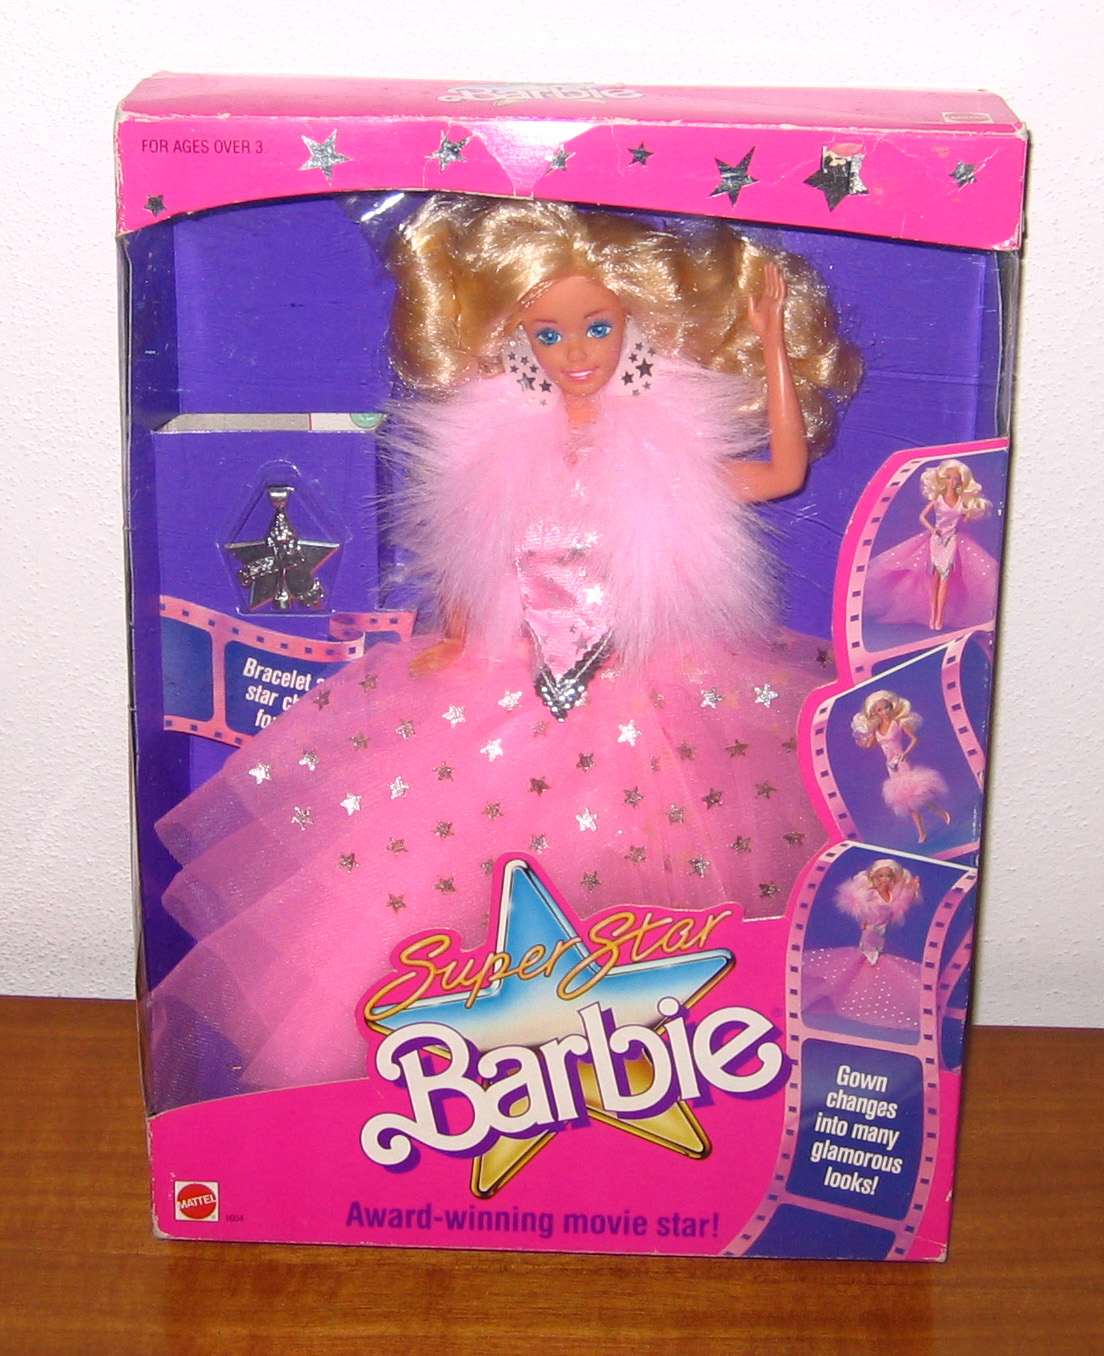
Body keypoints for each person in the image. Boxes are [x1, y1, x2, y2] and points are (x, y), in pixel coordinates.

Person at [147, 195, 859, 1106]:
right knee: (445, 882)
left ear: (634, 323)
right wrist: (454, 636)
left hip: (646, 694)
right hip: (513, 687)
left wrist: (770, 346)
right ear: (517, 340)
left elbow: (783, 472)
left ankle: (634, 1081)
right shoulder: (497, 451)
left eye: (597, 326)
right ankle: (491, 1080)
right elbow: (473, 555)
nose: (576, 353)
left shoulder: (665, 456)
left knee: (656, 896)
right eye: (548, 333)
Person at [866, 459, 997, 632]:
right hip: (936, 541)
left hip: (952, 541)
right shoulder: (938, 499)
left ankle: (939, 619)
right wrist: (933, 529)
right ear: (944, 479)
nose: (952, 482)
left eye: (956, 479)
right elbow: (922, 516)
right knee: (934, 580)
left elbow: (966, 519)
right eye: (949, 478)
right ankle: (933, 616)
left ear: (961, 482)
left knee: (945, 580)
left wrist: (971, 510)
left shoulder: (960, 501)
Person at [802, 859, 923, 1032]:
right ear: (874, 877)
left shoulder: (894, 895)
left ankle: (872, 991)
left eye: (888, 876)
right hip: (871, 928)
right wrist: (863, 922)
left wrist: (913, 886)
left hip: (882, 930)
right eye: (880, 876)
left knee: (878, 958)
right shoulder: (871, 894)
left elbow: (903, 901)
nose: (884, 880)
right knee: (867, 955)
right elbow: (861, 907)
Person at [851, 690, 950, 842]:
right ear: (875, 713)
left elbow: (914, 739)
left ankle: (939, 816)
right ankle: (923, 831)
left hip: (902, 763)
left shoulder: (898, 723)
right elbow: (870, 745)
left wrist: (906, 753)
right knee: (907, 802)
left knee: (917, 796)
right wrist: (861, 743)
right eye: (880, 710)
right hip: (891, 767)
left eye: (886, 707)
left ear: (892, 707)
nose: (884, 712)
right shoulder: (876, 729)